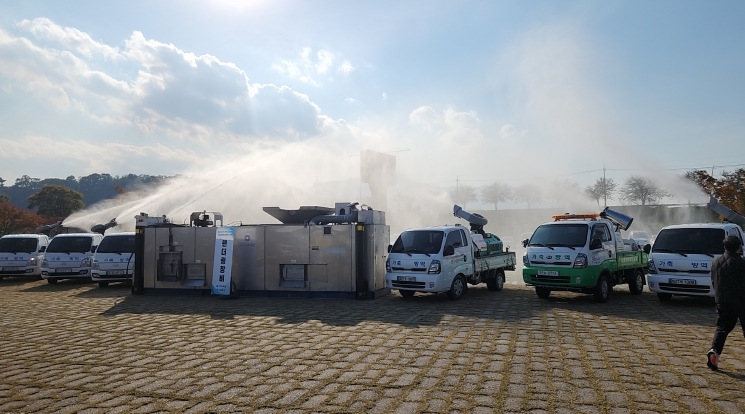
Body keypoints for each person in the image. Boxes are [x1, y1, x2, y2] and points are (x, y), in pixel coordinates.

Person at [707, 235, 745, 370]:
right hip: (741, 301)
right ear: (739, 247)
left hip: (722, 300)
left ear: (725, 247)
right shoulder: (742, 263)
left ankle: (714, 351)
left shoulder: (716, 261)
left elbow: (714, 281)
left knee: (722, 328)